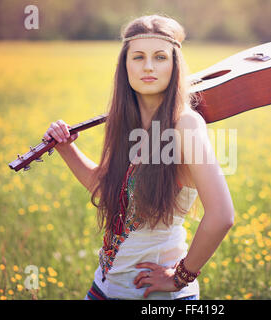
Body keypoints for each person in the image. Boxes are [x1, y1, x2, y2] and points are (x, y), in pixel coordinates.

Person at [43, 14, 235, 300]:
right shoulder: (127, 123)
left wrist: (181, 276)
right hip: (104, 287)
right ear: (125, 66)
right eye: (138, 57)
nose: (148, 66)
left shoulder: (185, 124)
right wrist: (65, 148)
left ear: (174, 65)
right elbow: (107, 188)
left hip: (154, 296)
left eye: (159, 57)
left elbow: (222, 215)